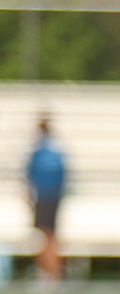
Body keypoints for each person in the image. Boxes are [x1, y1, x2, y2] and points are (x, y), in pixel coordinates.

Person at [24, 117, 66, 282]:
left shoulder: (40, 151)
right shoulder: (56, 151)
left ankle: (49, 273)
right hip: (52, 197)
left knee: (46, 237)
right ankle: (52, 273)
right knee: (50, 236)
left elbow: (29, 177)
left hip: (44, 197)